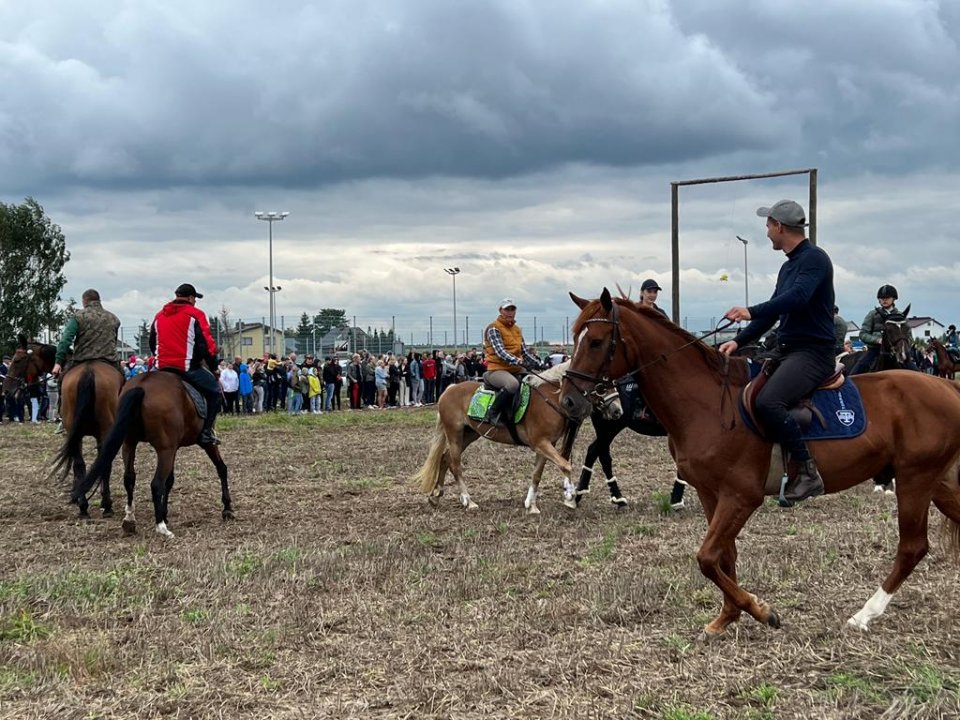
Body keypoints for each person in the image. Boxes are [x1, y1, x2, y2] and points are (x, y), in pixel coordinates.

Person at [718, 200, 835, 504]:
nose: (766, 232)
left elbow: (798, 298)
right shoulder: (788, 266)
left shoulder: (814, 260)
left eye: (768, 226)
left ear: (779, 226)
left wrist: (748, 309)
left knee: (770, 401)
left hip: (813, 353)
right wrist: (739, 340)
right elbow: (771, 316)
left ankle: (808, 473)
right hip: (787, 351)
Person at [149, 283, 221, 445]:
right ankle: (206, 433)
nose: (195, 301)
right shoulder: (196, 314)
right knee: (215, 393)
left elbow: (152, 342)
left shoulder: (159, 315)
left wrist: (160, 358)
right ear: (190, 298)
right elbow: (207, 345)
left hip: (161, 367)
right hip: (187, 368)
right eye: (195, 298)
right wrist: (214, 366)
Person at [483, 297, 542, 439]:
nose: (510, 312)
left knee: (538, 380)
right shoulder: (493, 328)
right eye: (507, 309)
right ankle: (492, 413)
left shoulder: (517, 329)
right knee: (512, 385)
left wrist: (538, 364)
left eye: (512, 309)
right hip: (497, 369)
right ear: (500, 311)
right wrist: (518, 361)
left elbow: (524, 352)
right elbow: (500, 351)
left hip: (516, 369)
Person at [849, 285, 916, 375]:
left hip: (897, 352)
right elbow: (863, 334)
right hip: (875, 350)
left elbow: (909, 337)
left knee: (917, 372)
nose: (884, 300)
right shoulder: (873, 314)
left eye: (887, 298)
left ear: (893, 299)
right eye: (881, 298)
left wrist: (901, 345)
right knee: (858, 368)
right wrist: (877, 340)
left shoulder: (901, 316)